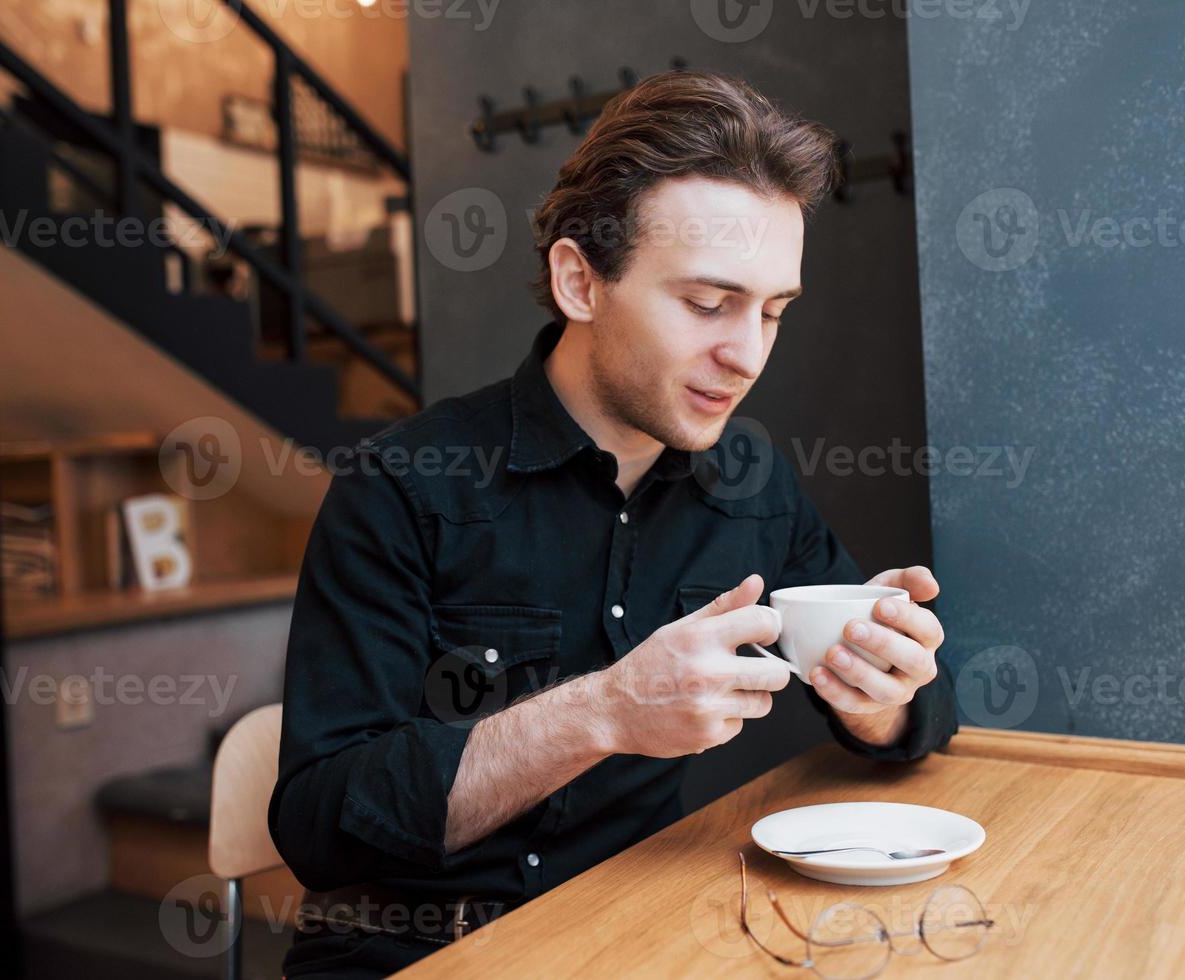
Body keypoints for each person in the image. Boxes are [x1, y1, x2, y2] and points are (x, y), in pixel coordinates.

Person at [268, 69, 957, 978]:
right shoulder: (401, 488)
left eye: (772, 312)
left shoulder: (750, 483)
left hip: (637, 940)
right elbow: (320, 824)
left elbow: (919, 714)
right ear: (579, 281)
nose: (745, 353)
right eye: (708, 305)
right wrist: (605, 712)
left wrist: (883, 696)